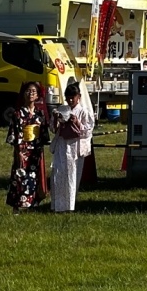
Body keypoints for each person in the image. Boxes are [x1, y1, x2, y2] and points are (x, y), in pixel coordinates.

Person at [5, 81, 50, 213]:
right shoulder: (18, 114)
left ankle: (33, 204)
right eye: (28, 91)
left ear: (38, 96)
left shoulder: (40, 114)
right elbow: (14, 134)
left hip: (35, 149)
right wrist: (18, 151)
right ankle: (16, 205)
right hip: (22, 148)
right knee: (19, 176)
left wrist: (41, 147)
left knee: (34, 176)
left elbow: (43, 134)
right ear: (24, 94)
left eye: (34, 92)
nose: (31, 94)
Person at [50, 80, 94, 213]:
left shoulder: (83, 111)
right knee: (57, 173)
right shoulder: (62, 109)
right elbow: (53, 129)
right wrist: (56, 118)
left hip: (75, 145)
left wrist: (77, 122)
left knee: (72, 175)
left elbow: (88, 130)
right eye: (68, 98)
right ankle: (57, 205)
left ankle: (69, 206)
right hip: (62, 144)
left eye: (72, 98)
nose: (70, 101)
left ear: (78, 97)